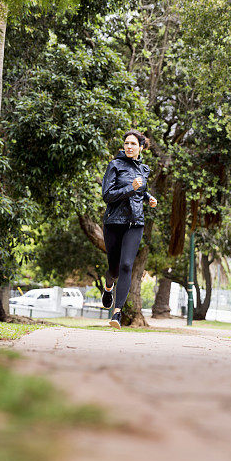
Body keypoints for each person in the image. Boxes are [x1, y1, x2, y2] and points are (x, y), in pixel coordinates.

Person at [101, 130, 157, 328]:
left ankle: (116, 313)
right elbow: (107, 195)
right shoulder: (114, 165)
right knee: (114, 268)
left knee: (126, 265)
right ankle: (108, 287)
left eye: (133, 144)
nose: (129, 146)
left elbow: (140, 190)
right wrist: (131, 189)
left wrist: (147, 197)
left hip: (135, 223)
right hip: (114, 222)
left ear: (141, 147)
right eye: (127, 143)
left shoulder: (144, 169)